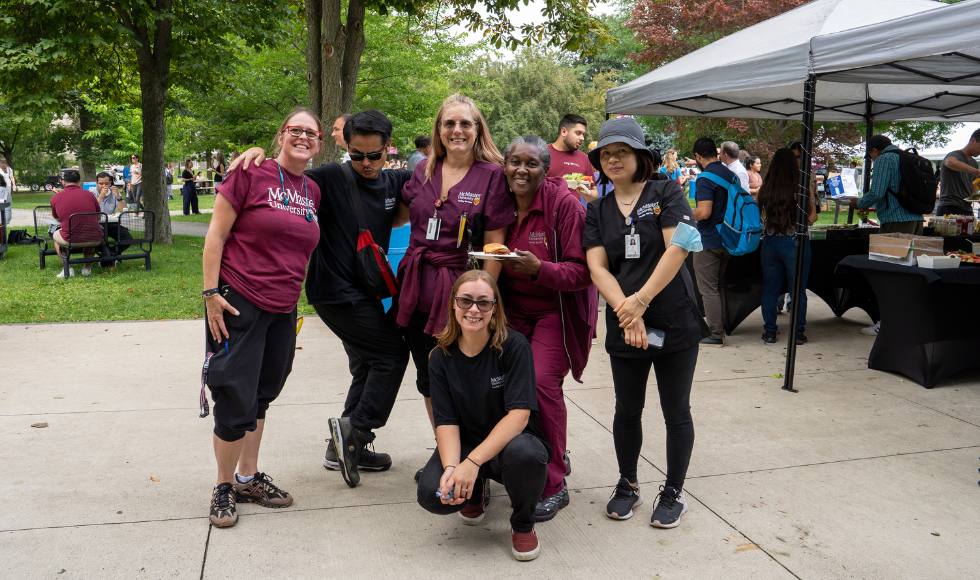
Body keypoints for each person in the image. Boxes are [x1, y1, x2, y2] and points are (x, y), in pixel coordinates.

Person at [228, 109, 415, 487]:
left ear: (387, 150)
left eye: (373, 156)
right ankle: (356, 431)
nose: (365, 163)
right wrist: (257, 153)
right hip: (334, 292)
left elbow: (441, 178)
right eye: (357, 154)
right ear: (347, 147)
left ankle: (344, 447)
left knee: (367, 363)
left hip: (367, 290)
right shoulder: (330, 177)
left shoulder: (398, 182)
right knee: (392, 355)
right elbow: (283, 177)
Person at [201, 107, 323, 528]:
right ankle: (223, 485)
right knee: (235, 394)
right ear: (280, 135)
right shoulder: (250, 173)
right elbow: (216, 233)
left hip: (283, 307)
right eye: (295, 130)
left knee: (263, 392)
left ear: (320, 144)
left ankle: (248, 477)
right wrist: (211, 293)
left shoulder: (312, 189)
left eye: (311, 133)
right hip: (239, 300)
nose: (303, 137)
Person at [583, 117, 706, 529]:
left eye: (621, 152)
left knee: (676, 411)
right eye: (606, 153)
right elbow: (597, 266)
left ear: (640, 156)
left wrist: (641, 301)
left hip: (671, 318)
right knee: (626, 409)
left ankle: (674, 490)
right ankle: (628, 483)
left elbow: (680, 247)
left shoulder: (665, 190)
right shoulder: (597, 208)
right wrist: (626, 310)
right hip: (626, 321)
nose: (613, 159)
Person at [395, 93, 515, 472]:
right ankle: (444, 449)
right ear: (439, 130)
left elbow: (495, 247)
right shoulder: (422, 171)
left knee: (467, 375)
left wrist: (482, 302)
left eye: (465, 123)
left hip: (463, 295)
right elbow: (397, 215)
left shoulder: (492, 175)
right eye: (449, 123)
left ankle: (477, 456)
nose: (457, 130)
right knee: (429, 376)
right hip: (417, 293)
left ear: (478, 129)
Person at [416, 270, 550, 561]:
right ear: (454, 304)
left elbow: (519, 416)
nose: (474, 309)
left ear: (495, 307)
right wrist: (453, 468)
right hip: (466, 444)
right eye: (465, 300)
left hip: (511, 445)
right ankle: (473, 491)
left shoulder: (514, 346)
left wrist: (473, 462)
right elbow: (446, 421)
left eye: (483, 302)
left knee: (527, 454)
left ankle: (523, 524)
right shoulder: (439, 357)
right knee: (432, 495)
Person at [498, 135, 598, 521]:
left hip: (556, 311)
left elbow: (583, 272)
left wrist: (539, 269)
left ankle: (554, 483)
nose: (521, 170)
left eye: (531, 164)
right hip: (511, 312)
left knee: (540, 384)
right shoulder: (500, 204)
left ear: (545, 169)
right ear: (504, 165)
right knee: (499, 382)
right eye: (514, 162)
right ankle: (531, 455)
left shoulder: (565, 207)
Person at [757, 149, 818, 345]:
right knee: (798, 290)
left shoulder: (766, 188)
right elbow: (812, 218)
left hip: (770, 242)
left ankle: (769, 332)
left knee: (770, 290)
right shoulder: (802, 188)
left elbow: (756, 215)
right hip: (796, 242)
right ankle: (798, 333)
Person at [690, 137, 736, 347]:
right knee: (719, 286)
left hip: (709, 240)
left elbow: (704, 211)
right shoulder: (729, 173)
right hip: (729, 238)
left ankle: (716, 333)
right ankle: (722, 325)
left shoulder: (705, 178)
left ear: (698, 157)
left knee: (708, 288)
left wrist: (685, 213)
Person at [848, 135, 925, 235]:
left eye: (870, 156)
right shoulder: (910, 157)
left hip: (896, 220)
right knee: (912, 251)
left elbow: (876, 193)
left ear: (875, 151)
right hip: (917, 218)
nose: (872, 159)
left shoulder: (884, 159)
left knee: (893, 251)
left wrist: (859, 203)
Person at [49, 169, 101, 277]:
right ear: (79, 183)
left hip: (70, 238)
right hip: (94, 237)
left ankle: (67, 268)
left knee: (55, 236)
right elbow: (98, 216)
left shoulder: (55, 198)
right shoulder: (90, 195)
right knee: (89, 231)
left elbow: (57, 218)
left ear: (63, 183)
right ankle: (86, 268)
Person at [547, 114, 597, 205]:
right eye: (578, 133)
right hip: (545, 215)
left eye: (583, 134)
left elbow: (594, 194)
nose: (582, 138)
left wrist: (585, 192)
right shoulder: (542, 154)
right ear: (564, 131)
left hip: (572, 216)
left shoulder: (584, 158)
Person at [934, 128, 980, 216]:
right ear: (973, 140)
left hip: (967, 208)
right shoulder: (954, 155)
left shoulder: (974, 163)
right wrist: (976, 171)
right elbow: (949, 162)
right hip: (949, 207)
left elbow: (974, 192)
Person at [94, 171, 132, 262]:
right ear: (96, 183)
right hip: (96, 224)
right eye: (101, 184)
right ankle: (107, 256)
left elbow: (125, 211)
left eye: (106, 184)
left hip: (111, 223)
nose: (104, 186)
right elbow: (93, 210)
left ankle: (110, 254)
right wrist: (101, 195)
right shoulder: (91, 193)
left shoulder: (113, 193)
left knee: (127, 238)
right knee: (98, 240)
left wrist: (118, 197)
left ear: (110, 183)